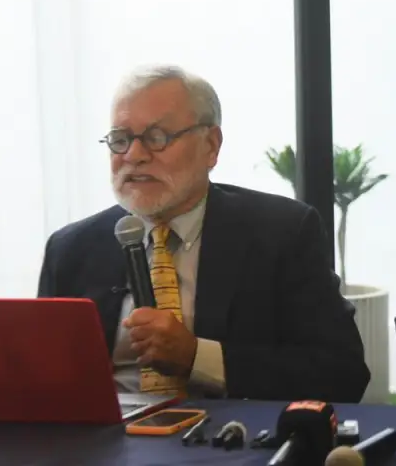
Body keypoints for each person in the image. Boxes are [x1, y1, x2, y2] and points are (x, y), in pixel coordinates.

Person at [38, 65, 370, 403]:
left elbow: (342, 372)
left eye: (157, 137)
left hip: (226, 440)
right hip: (104, 445)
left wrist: (198, 357)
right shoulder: (70, 249)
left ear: (210, 146)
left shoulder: (281, 233)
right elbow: (40, 380)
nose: (134, 156)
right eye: (120, 140)